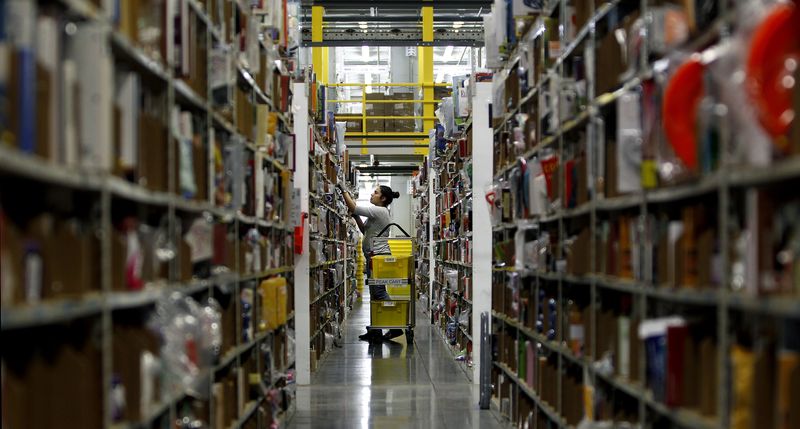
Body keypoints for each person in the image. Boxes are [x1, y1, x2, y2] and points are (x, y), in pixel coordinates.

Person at [338, 184, 404, 342]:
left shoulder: (379, 210)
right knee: (375, 296)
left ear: (383, 199)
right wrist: (355, 217)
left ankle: (395, 327)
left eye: (375, 193)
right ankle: (376, 331)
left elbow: (353, 206)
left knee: (379, 293)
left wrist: (343, 190)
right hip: (373, 257)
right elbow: (364, 230)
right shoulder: (377, 212)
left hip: (379, 257)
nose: (372, 194)